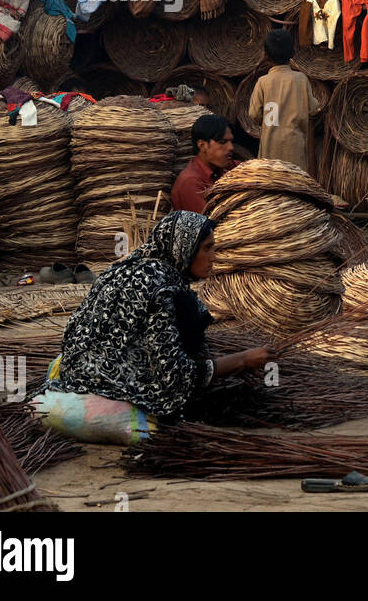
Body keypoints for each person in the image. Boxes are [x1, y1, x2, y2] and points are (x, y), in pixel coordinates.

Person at [51, 211, 271, 419]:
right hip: (101, 380)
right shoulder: (161, 288)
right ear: (184, 249)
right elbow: (174, 377)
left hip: (74, 369)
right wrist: (242, 360)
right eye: (207, 248)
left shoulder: (126, 267)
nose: (213, 257)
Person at [249, 28, 320, 172]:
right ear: (293, 53)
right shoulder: (301, 79)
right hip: (294, 149)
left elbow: (254, 114)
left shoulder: (263, 82)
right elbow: (313, 108)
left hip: (269, 150)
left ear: (266, 56)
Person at [171, 114, 237, 214]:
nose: (231, 147)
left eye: (231, 141)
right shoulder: (191, 182)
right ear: (202, 145)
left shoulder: (230, 167)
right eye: (223, 142)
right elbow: (211, 223)